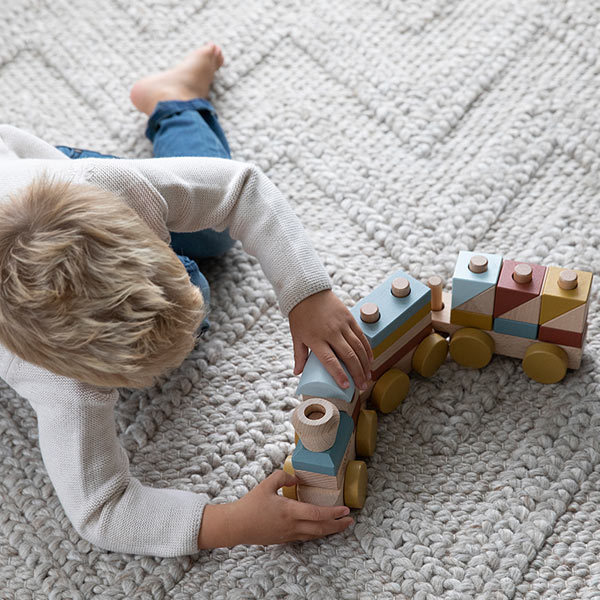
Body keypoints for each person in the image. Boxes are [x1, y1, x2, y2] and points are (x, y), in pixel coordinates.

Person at [0, 44, 374, 556]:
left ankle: (173, 102)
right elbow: (101, 511)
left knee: (212, 238)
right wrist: (229, 524)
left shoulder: (108, 187)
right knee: (201, 279)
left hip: (31, 173)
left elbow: (241, 188)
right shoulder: (60, 386)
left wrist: (306, 293)